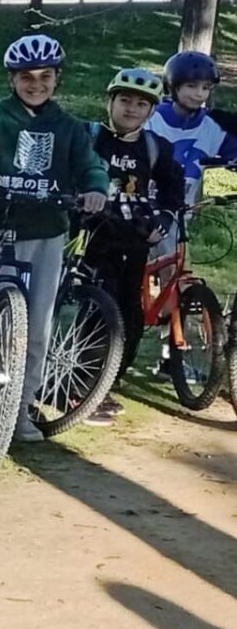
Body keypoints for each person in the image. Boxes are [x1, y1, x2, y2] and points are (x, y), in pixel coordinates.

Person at [0, 34, 108, 444]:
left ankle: (19, 406)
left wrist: (95, 189)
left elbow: (90, 166)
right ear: (11, 80)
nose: (36, 84)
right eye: (26, 77)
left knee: (36, 327)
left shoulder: (69, 127)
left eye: (45, 76)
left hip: (45, 232)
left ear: (57, 79)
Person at [83, 67, 183, 420]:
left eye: (141, 104)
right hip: (91, 237)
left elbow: (172, 189)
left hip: (134, 240)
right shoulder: (88, 137)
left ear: (152, 111)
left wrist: (164, 220)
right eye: (124, 100)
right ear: (109, 101)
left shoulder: (155, 148)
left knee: (130, 317)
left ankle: (106, 384)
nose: (131, 109)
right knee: (98, 311)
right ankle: (82, 389)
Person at [145, 50, 235, 205]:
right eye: (191, 86)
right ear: (172, 86)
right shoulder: (149, 119)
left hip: (182, 212)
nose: (199, 94)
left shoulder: (215, 125)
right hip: (139, 209)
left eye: (206, 88)